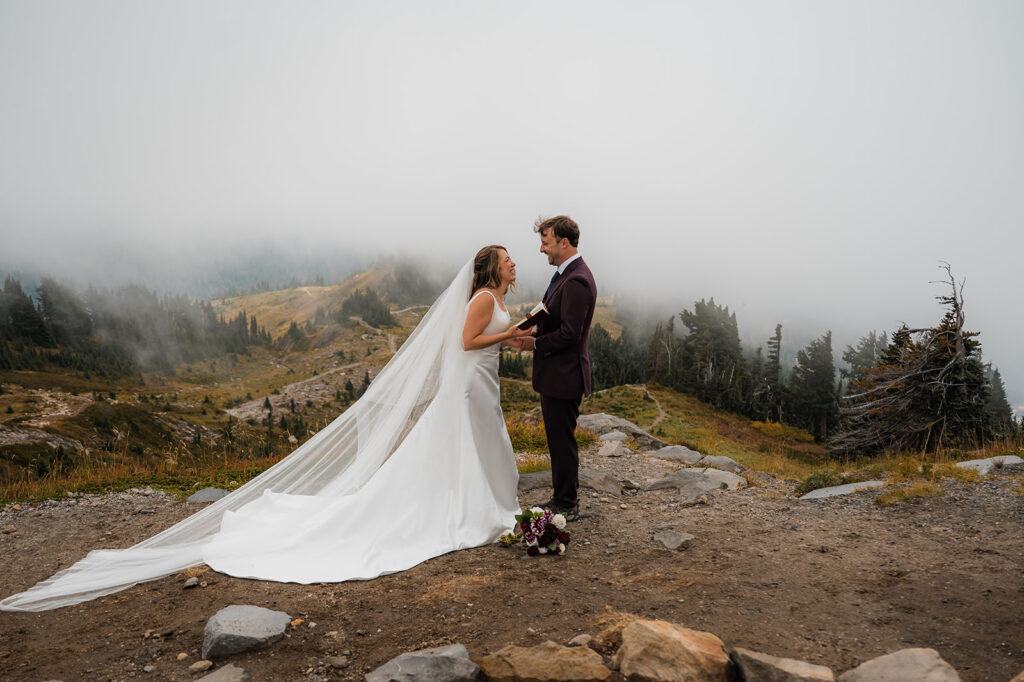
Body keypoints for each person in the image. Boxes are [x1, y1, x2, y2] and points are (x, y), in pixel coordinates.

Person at [0, 246, 530, 611]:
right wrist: (509, 340)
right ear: (491, 268)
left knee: (479, 445)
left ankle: (476, 500)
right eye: (509, 259)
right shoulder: (483, 298)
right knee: (464, 445)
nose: (515, 263)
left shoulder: (500, 301)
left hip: (482, 387)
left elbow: (490, 337)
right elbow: (465, 343)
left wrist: (520, 336)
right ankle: (469, 508)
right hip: (469, 385)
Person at [519, 216, 597, 520]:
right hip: (557, 374)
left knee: (562, 442)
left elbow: (569, 334)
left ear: (564, 242)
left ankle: (566, 503)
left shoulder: (576, 279)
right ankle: (562, 496)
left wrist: (533, 344)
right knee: (558, 439)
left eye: (546, 242)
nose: (542, 250)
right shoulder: (567, 274)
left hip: (564, 376)